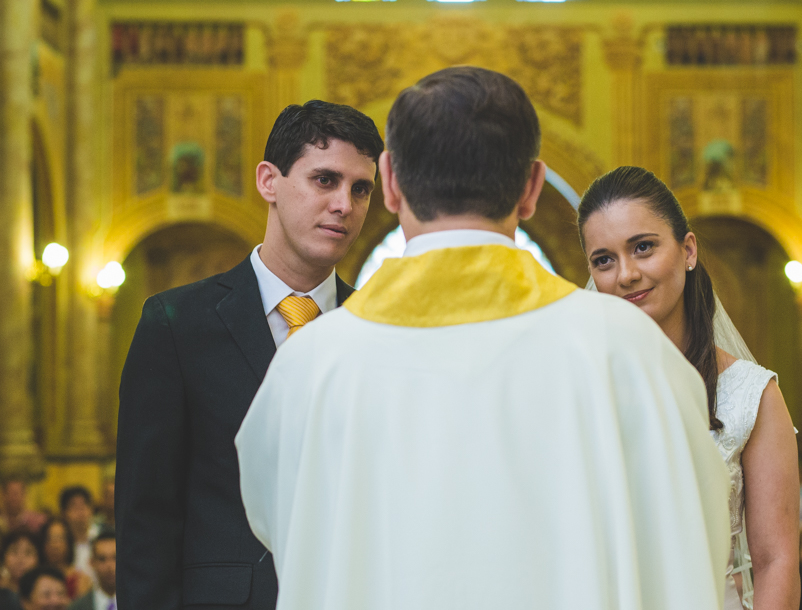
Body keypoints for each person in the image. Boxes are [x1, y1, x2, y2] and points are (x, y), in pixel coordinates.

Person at [236, 66, 731, 610]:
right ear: (532, 188)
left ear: (391, 183)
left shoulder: (311, 362)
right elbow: (690, 537)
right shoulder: (629, 352)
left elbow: (285, 529)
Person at [115, 99, 383, 610]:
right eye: (324, 180)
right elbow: (145, 519)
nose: (345, 205)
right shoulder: (176, 325)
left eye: (360, 188)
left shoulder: (378, 328)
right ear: (269, 181)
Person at [577, 165, 800, 610]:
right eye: (604, 259)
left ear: (688, 250)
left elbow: (776, 560)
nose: (625, 274)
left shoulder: (750, 395)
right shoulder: (580, 387)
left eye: (643, 248)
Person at [38, 520, 89, 601]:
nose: (55, 545)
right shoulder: (35, 578)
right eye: (49, 539)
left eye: (60, 538)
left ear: (69, 543)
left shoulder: (81, 580)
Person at [67, 532, 115, 610]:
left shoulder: (138, 604)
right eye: (102, 559)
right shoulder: (76, 607)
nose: (109, 566)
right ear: (92, 563)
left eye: (115, 558)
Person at [58, 489, 96, 582]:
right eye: (74, 506)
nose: (80, 510)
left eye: (84, 504)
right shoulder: (61, 545)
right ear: (64, 513)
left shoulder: (101, 538)